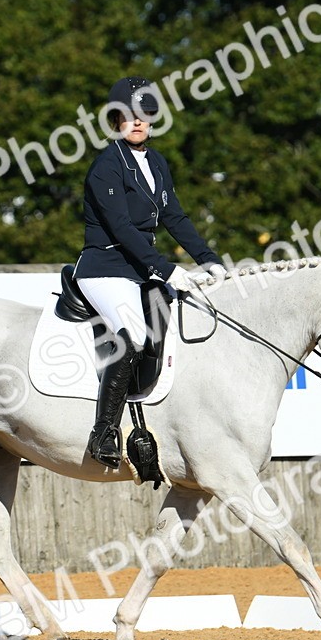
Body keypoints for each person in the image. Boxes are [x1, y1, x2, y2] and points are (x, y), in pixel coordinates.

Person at [75, 76, 228, 470]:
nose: (138, 122)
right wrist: (165, 267)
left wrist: (209, 259)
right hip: (106, 269)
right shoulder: (106, 166)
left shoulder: (157, 163)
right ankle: (104, 432)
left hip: (140, 269)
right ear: (116, 120)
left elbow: (174, 216)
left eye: (145, 114)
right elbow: (123, 228)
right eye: (128, 115)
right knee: (135, 336)